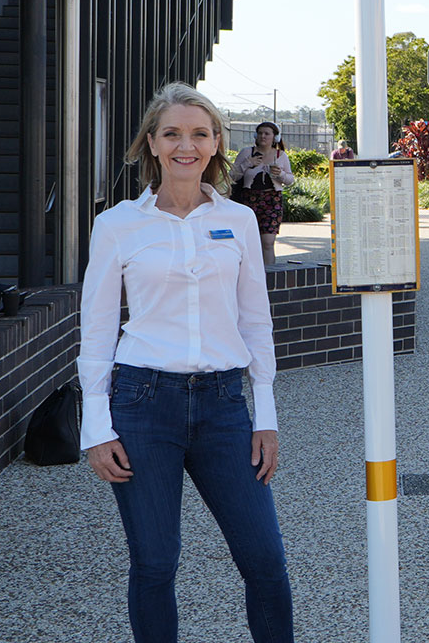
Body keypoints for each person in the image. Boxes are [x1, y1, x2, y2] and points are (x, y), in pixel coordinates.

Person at [79, 83, 291, 643]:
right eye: (171, 133)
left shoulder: (240, 221)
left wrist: (264, 413)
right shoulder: (117, 225)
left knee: (265, 560)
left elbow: (255, 322)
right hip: (143, 406)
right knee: (154, 564)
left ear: (217, 142)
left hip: (224, 406)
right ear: (151, 142)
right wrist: (95, 425)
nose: (185, 146)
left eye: (199, 133)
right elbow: (97, 328)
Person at [231, 122, 295, 266]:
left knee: (268, 242)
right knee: (248, 241)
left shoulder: (281, 155)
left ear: (275, 137)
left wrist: (281, 174)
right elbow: (232, 176)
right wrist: (247, 163)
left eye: (267, 133)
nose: (263, 136)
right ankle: (248, 274)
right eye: (260, 133)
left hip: (272, 200)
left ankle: (269, 276)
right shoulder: (247, 153)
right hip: (249, 200)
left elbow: (290, 180)